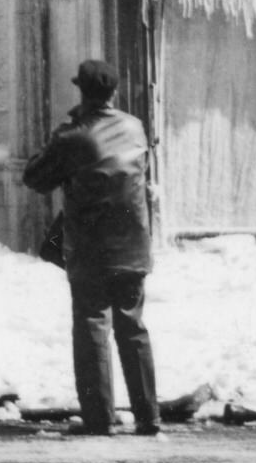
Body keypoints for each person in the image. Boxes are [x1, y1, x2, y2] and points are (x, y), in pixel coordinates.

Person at [23, 59, 162, 437]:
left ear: (81, 91)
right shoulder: (135, 127)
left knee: (91, 327)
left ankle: (99, 419)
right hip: (134, 246)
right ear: (114, 92)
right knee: (132, 327)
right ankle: (149, 417)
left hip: (90, 249)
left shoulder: (73, 136)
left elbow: (35, 178)